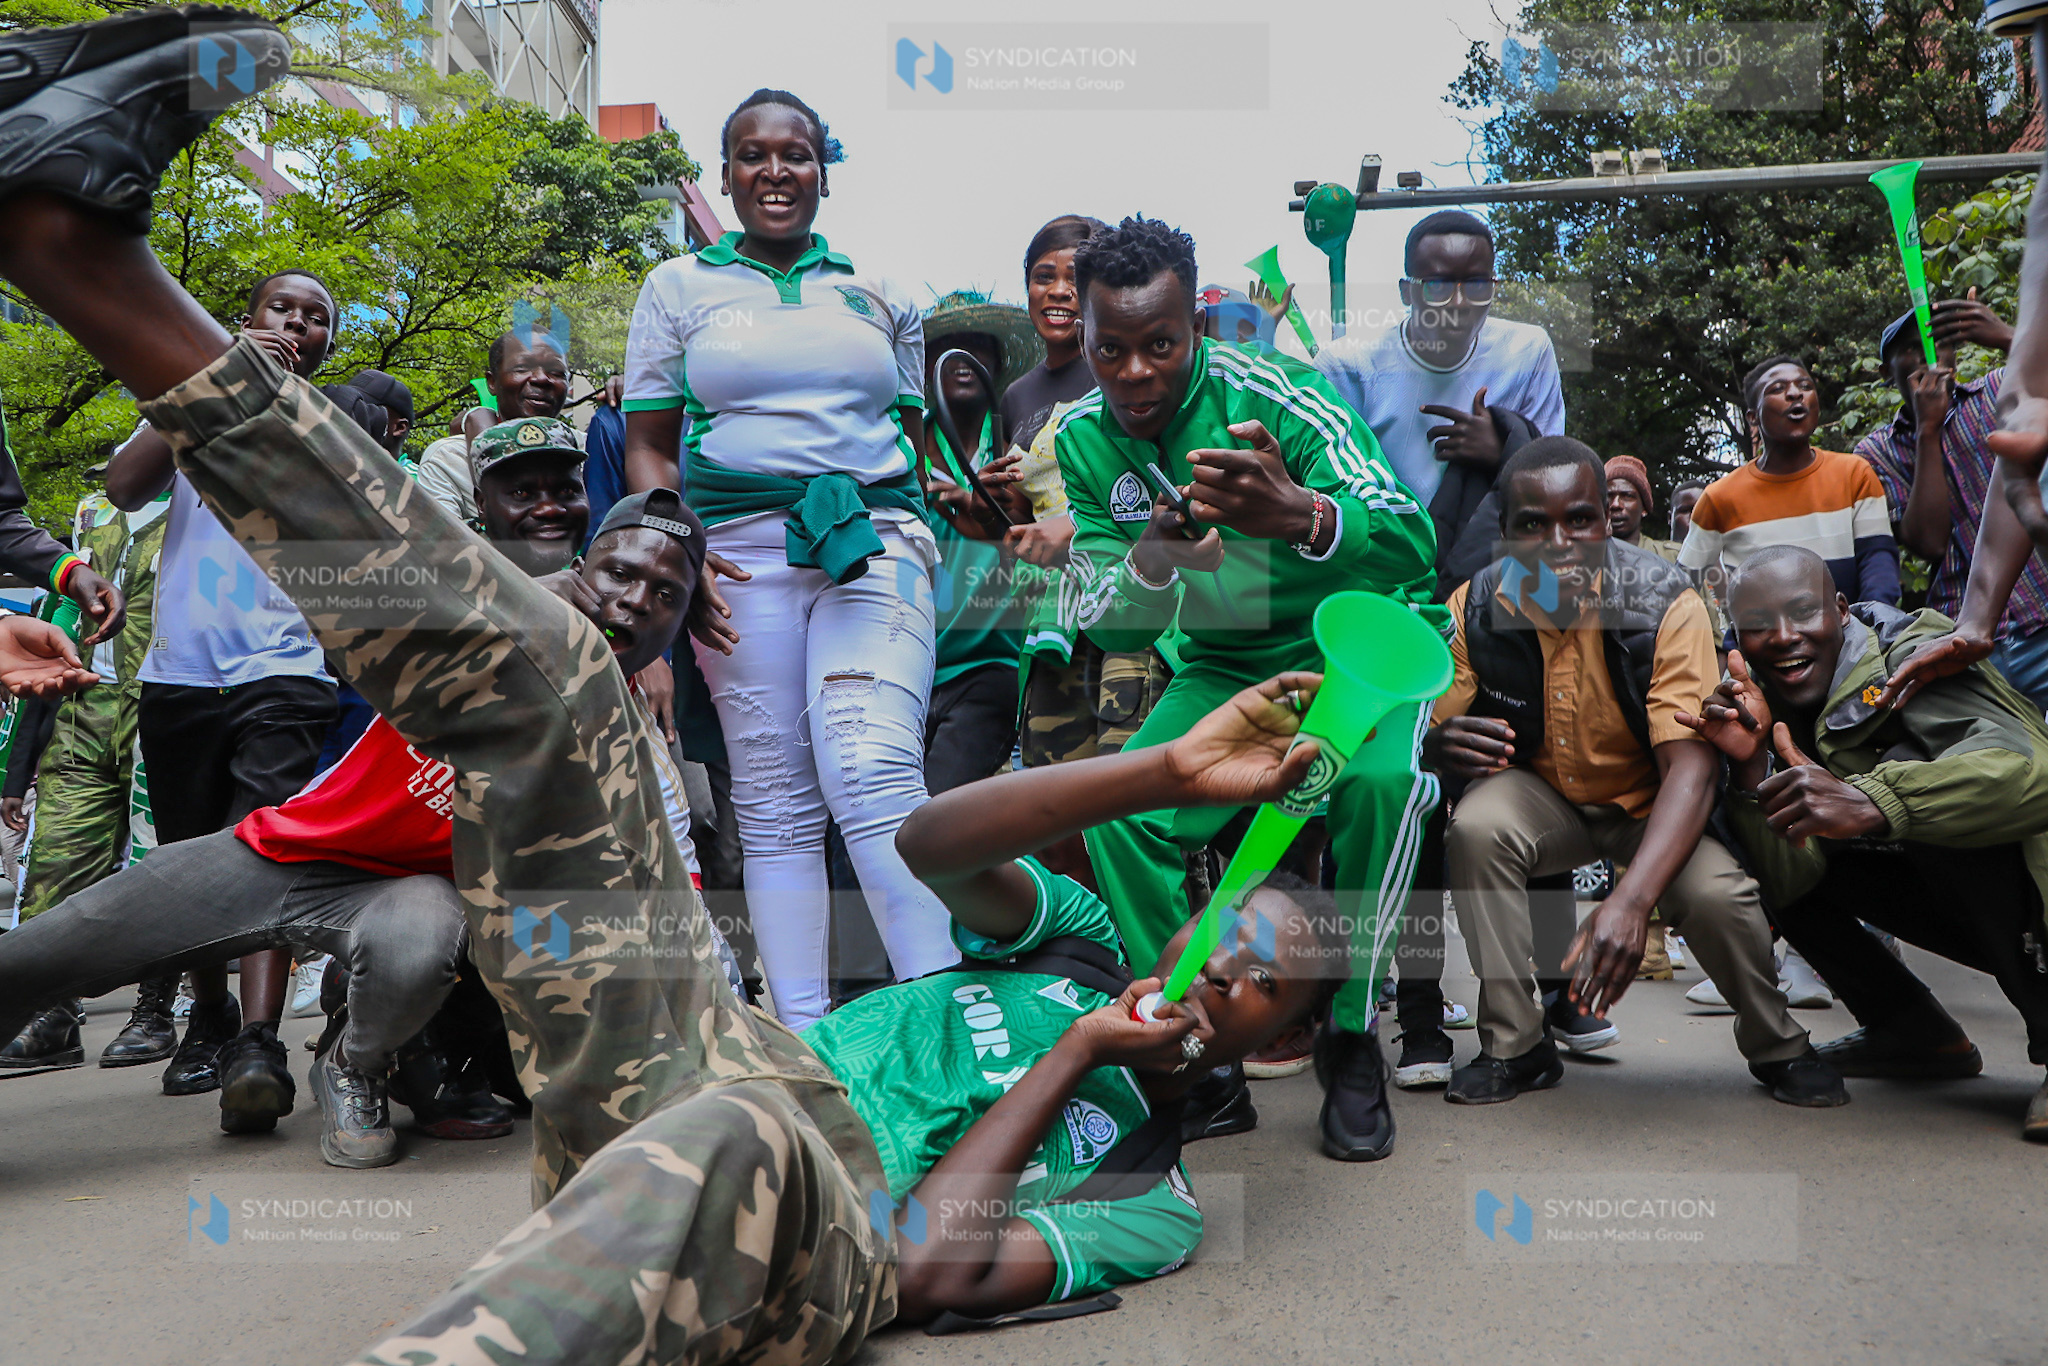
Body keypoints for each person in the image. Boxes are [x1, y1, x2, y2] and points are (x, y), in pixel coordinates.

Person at [0, 29, 1344, 1346]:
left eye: (1260, 993)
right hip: (722, 1049)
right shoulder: (1076, 948)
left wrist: (1082, 1059)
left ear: (1260, 1050)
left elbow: (926, 1263)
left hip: (816, 1189)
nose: (1224, 974)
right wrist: (1167, 770)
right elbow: (933, 839)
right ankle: (72, 250)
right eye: (1234, 941)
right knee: (563, 670)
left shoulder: (1151, 1192)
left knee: (722, 1135)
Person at [1049, 214, 1441, 1162]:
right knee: (1120, 806)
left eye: (1161, 345)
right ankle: (1193, 1042)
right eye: (1112, 350)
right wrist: (1149, 560)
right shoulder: (1084, 444)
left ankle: (1350, 1036)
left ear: (1195, 330)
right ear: (1082, 343)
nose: (1136, 372)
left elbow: (1411, 536)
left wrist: (1301, 514)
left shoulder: (1278, 393)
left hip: (1365, 651)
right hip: (1228, 666)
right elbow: (1107, 617)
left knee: (1385, 791)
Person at [618, 87, 956, 1028]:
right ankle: (808, 1046)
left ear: (822, 169)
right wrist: (678, 553)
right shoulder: (676, 288)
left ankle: (940, 1021)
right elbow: (650, 446)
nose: (776, 172)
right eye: (753, 155)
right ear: (725, 174)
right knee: (770, 798)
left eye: (796, 154)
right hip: (733, 562)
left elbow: (914, 441)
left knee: (873, 764)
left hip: (871, 545)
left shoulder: (881, 286)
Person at [1429, 436, 1844, 1107]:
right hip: (1546, 799)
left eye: (1580, 520)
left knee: (1720, 897)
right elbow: (1432, 726)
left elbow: (1693, 770)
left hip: (1652, 805)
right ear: (1504, 532)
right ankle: (1518, 1045)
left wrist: (1628, 902)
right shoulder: (1474, 607)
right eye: (1533, 524)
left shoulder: (1664, 603)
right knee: (1476, 828)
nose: (1559, 543)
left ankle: (1779, 1044)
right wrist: (1436, 749)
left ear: (1609, 520)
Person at [1684, 545, 2048, 1140]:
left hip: (2032, 883)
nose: (1782, 636)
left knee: (1925, 783)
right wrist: (1752, 774)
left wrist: (1878, 800)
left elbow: (2035, 774)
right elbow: (1792, 884)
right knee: (1764, 826)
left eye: (1803, 612)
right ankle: (1911, 1031)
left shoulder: (1917, 657)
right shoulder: (1761, 704)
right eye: (1756, 626)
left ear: (1842, 610)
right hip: (1969, 906)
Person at [103, 263, 342, 1126]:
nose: (297, 324)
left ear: (325, 346)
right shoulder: (189, 397)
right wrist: (212, 381)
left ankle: (258, 1039)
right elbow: (124, 487)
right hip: (180, 670)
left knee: (264, 850)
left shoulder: (326, 418)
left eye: (316, 319)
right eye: (283, 308)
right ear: (245, 319)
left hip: (284, 668)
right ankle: (204, 1015)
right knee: (191, 858)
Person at [996, 214, 1175, 773]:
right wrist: (993, 504)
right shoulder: (1016, 397)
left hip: (1133, 591)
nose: (1058, 291)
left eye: (1074, 277)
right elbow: (1023, 516)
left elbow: (1159, 488)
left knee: (1126, 775)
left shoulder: (1126, 371)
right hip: (1054, 614)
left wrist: (1073, 530)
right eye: (1042, 275)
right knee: (1057, 788)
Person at [0, 481, 168, 1071]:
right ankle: (48, 1014)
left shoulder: (213, 496)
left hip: (166, 696)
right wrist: (17, 769)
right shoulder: (96, 506)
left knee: (163, 860)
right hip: (83, 702)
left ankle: (157, 1007)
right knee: (54, 862)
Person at [1854, 303, 2048, 710]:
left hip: (2041, 617)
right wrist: (1928, 431)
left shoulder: (1998, 390)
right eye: (1911, 348)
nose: (1927, 353)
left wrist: (2010, 338)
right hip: (1965, 642)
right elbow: (1929, 542)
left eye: (1937, 342)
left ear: (1954, 355)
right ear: (1886, 373)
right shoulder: (1876, 451)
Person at [918, 292, 1040, 793]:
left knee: (933, 809)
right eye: (949, 345)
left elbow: (1042, 548)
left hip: (992, 667)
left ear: (995, 362)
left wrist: (989, 510)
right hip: (911, 665)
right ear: (926, 364)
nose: (962, 358)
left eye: (976, 346)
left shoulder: (1021, 447)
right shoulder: (902, 447)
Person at [1679, 356, 1901, 619]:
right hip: (1758, 652)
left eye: (1805, 386)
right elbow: (1683, 584)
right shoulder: (1719, 497)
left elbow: (1878, 562)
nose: (1795, 393)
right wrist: (1725, 639)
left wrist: (1869, 631)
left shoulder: (1854, 474)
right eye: (1777, 389)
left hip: (1850, 644)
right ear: (1753, 417)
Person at [413, 328, 571, 523]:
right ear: (492, 382)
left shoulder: (588, 451)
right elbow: (444, 547)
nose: (541, 378)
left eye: (556, 372)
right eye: (522, 368)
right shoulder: (449, 459)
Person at [1606, 455, 1678, 557]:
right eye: (1608, 496)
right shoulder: (1582, 557)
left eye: (1627, 496)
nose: (1616, 504)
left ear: (1644, 508)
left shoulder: (1671, 556)